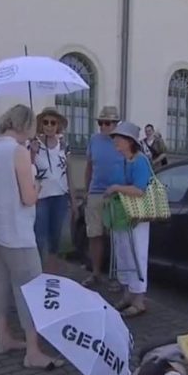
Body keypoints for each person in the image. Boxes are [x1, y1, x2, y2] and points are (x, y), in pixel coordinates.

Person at [0, 104, 63, 370]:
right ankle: (33, 351)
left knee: (2, 283)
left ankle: (4, 337)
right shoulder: (18, 151)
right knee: (30, 290)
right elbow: (28, 198)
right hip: (18, 233)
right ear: (25, 125)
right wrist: (38, 185)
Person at [105, 122, 154, 318]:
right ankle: (128, 295)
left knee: (137, 254)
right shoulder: (124, 160)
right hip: (122, 215)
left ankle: (139, 300)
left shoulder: (140, 161)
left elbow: (139, 190)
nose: (115, 141)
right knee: (123, 253)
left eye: (119, 138)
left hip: (137, 216)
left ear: (129, 141)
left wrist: (116, 188)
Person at [82, 106, 126, 289]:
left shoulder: (123, 141)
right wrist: (86, 191)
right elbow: (89, 166)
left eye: (107, 123)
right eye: (101, 123)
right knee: (94, 234)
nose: (103, 126)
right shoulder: (94, 140)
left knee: (116, 237)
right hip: (96, 193)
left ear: (116, 124)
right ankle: (96, 273)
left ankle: (116, 276)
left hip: (116, 196)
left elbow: (129, 165)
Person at [31, 107, 72, 273]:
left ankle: (51, 274)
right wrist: (32, 153)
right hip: (41, 197)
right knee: (40, 237)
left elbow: (69, 172)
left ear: (58, 126)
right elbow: (28, 169)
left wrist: (74, 199)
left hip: (60, 197)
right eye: (45, 122)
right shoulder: (34, 144)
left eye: (52, 123)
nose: (49, 126)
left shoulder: (64, 145)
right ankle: (38, 273)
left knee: (55, 238)